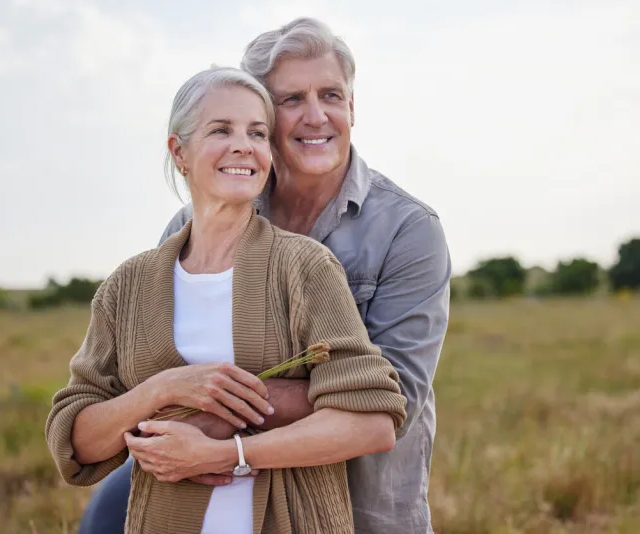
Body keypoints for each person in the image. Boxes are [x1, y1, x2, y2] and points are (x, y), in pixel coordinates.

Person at [78, 17, 451, 534]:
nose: (317, 115)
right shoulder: (186, 229)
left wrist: (215, 414)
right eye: (293, 99)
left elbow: (392, 401)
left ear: (352, 108)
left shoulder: (408, 230)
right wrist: (172, 400)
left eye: (332, 95)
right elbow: (127, 385)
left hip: (360, 508)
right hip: (198, 497)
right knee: (103, 515)